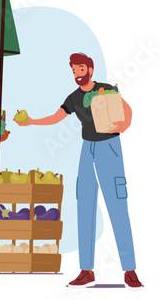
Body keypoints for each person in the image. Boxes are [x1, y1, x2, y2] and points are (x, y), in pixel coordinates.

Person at [14, 52, 142, 289]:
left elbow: (126, 109)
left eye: (80, 69)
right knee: (84, 205)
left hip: (109, 147)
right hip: (88, 149)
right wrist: (31, 121)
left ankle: (130, 270)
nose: (77, 74)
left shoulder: (106, 89)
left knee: (117, 205)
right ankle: (87, 270)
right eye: (73, 71)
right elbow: (56, 117)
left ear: (90, 70)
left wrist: (123, 125)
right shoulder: (73, 98)